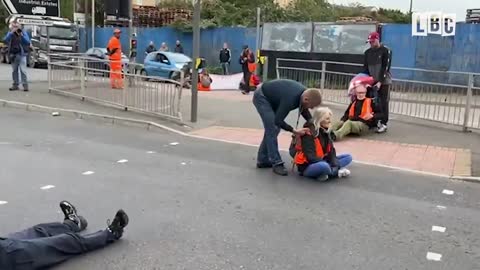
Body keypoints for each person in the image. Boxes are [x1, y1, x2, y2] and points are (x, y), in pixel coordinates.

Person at [0, 201, 129, 269]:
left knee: (39, 230)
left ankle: (72, 224)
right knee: (64, 242)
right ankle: (111, 232)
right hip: (9, 259)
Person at [253, 79, 323, 176]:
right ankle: (276, 163)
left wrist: (312, 123)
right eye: (311, 106)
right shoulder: (291, 98)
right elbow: (278, 121)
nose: (310, 108)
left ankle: (262, 159)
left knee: (273, 129)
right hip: (262, 96)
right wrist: (294, 130)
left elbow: (303, 109)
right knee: (273, 128)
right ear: (306, 99)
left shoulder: (304, 94)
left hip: (273, 97)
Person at [292, 107, 352, 181]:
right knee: (324, 166)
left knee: (348, 157)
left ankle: (326, 172)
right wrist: (330, 164)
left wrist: (334, 164)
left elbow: (332, 152)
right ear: (319, 120)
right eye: (327, 119)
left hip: (323, 159)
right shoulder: (309, 133)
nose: (330, 121)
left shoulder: (326, 131)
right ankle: (335, 173)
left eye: (330, 118)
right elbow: (310, 157)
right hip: (308, 165)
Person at [331, 76, 384, 141]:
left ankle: (336, 136)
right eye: (359, 93)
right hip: (353, 122)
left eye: (362, 93)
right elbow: (346, 114)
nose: (361, 94)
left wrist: (372, 116)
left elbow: (381, 114)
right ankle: (327, 133)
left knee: (349, 123)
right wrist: (342, 121)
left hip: (364, 125)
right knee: (340, 122)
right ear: (356, 93)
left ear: (365, 92)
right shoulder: (354, 102)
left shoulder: (371, 102)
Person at [363, 31, 392, 133]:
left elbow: (386, 67)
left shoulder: (386, 51)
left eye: (372, 41)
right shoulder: (367, 53)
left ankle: (384, 123)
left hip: (384, 81)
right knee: (371, 101)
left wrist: (380, 81)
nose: (371, 44)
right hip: (371, 81)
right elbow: (365, 68)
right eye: (369, 42)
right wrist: (365, 80)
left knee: (384, 102)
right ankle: (373, 121)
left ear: (377, 40)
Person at [3, 21, 30, 92]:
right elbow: (5, 40)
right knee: (14, 70)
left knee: (23, 70)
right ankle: (15, 84)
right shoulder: (11, 33)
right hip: (13, 54)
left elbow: (27, 41)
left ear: (20, 26)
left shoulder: (23, 32)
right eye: (14, 26)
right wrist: (11, 32)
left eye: (17, 26)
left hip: (21, 54)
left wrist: (21, 35)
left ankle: (25, 85)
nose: (16, 28)